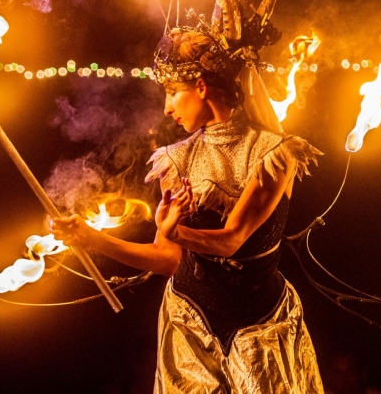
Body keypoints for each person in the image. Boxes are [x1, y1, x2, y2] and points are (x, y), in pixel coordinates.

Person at [51, 26, 325, 393]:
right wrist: (90, 239)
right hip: (188, 321)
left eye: (172, 92)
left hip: (262, 323)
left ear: (200, 86)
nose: (166, 108)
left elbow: (232, 240)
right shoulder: (174, 160)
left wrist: (176, 231)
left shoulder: (274, 153)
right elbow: (168, 259)